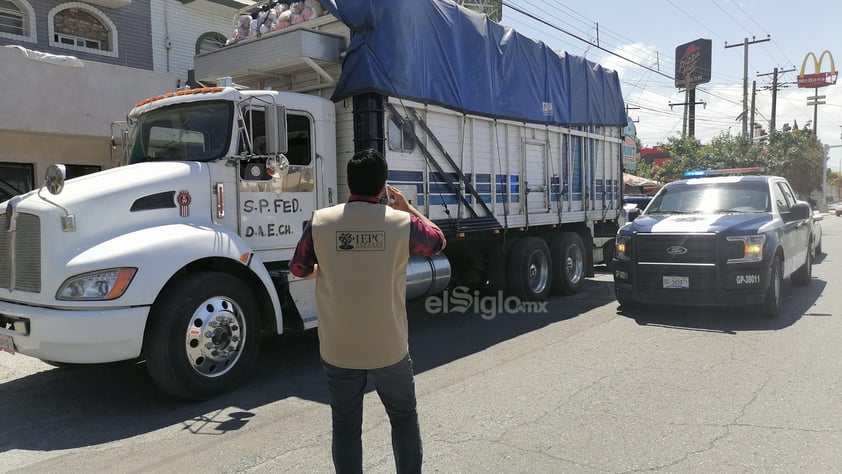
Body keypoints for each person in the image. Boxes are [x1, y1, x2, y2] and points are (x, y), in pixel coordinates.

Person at [290, 148, 446, 474]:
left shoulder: (321, 221)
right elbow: (438, 242)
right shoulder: (402, 223)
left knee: (346, 426)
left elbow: (300, 269)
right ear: (384, 186)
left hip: (338, 347)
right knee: (403, 418)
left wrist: (327, 269)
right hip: (389, 345)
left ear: (348, 182)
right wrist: (408, 207)